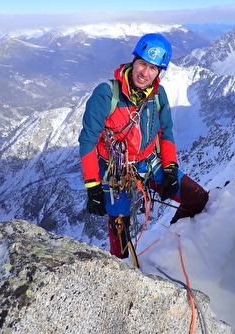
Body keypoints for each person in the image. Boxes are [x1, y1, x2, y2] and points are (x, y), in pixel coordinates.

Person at [79, 33, 209, 259]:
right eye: (142, 64)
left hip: (149, 164)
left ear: (159, 72)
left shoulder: (158, 95)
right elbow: (88, 141)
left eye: (153, 68)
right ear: (133, 61)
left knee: (197, 198)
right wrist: (93, 186)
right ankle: (121, 270)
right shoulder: (106, 94)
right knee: (120, 231)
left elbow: (165, 133)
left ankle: (171, 248)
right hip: (115, 172)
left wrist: (169, 168)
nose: (145, 73)